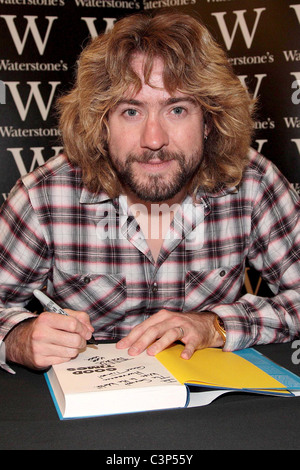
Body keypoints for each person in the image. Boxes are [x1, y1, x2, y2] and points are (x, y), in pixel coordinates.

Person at [0, 11, 299, 372]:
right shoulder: (44, 196)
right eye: (131, 111)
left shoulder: (252, 182)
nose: (153, 140)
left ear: (209, 120)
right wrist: (19, 336)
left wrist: (216, 325)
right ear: (101, 122)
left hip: (217, 414)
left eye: (176, 109)